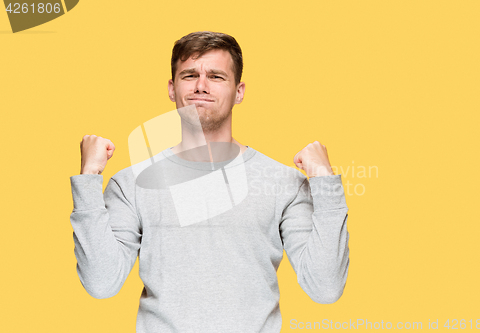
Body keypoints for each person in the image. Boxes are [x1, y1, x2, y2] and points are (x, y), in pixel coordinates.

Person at [70, 31, 349, 333]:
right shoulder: (131, 183)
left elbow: (325, 287)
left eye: (216, 76)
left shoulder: (282, 182)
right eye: (189, 75)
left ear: (239, 91)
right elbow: (101, 282)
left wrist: (324, 183)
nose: (201, 85)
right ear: (171, 88)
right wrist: (88, 179)